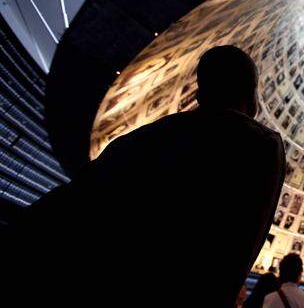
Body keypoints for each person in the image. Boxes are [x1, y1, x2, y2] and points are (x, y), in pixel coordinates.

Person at [6, 45, 286, 307]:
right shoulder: (261, 145)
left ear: (200, 95)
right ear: (252, 96)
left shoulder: (145, 138)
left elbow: (72, 201)